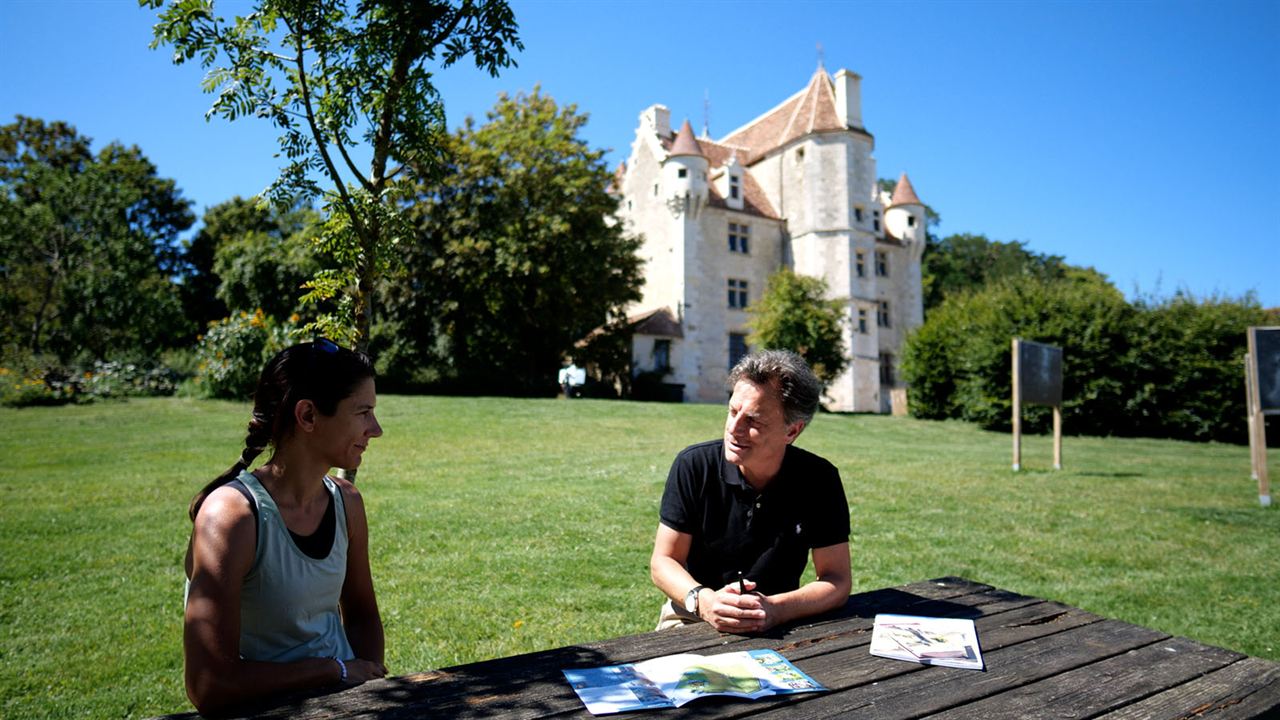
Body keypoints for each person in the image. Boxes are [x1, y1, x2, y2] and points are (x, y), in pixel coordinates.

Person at [182, 339, 387, 715]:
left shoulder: (347, 502)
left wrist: (369, 686)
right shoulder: (232, 518)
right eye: (363, 412)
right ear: (307, 416)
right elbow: (209, 683)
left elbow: (361, 614)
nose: (376, 429)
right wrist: (333, 670)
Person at [649, 350, 852, 634]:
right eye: (733, 411)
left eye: (753, 421)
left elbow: (837, 580)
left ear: (792, 431)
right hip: (691, 616)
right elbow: (664, 561)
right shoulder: (694, 466)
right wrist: (705, 602)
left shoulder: (819, 479)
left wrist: (776, 609)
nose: (734, 428)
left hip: (783, 625)